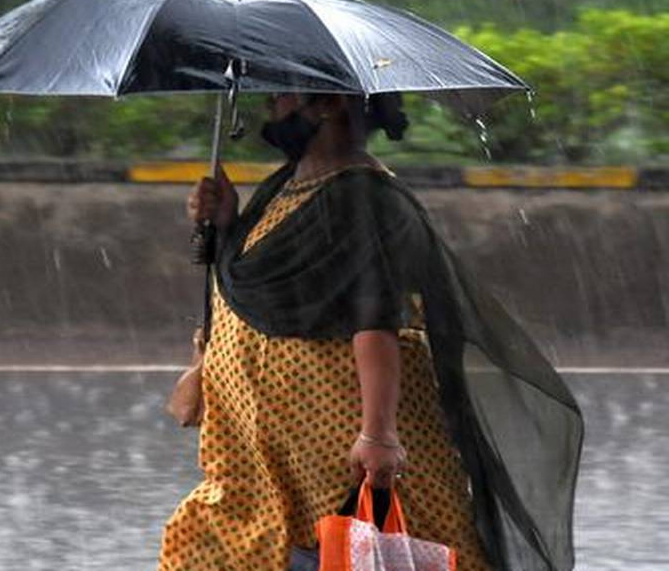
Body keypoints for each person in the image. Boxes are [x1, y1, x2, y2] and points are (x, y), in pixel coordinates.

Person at [157, 92, 583, 571]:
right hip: (270, 450)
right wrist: (227, 223)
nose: (271, 103)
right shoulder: (290, 183)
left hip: (341, 440)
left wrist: (378, 434)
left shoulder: (366, 199)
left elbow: (373, 319)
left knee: (361, 551)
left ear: (329, 104)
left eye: (285, 92)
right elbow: (270, 285)